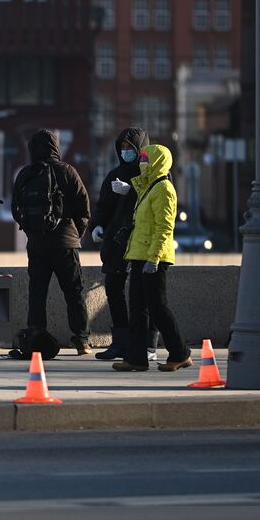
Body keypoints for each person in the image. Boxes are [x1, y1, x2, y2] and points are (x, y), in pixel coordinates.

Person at [11, 129, 92, 356]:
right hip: (66, 244)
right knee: (74, 293)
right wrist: (75, 234)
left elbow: (16, 210)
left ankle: (36, 338)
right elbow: (84, 208)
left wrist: (32, 231)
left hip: (37, 245)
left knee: (37, 293)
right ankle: (82, 340)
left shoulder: (26, 174)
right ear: (55, 146)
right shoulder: (68, 171)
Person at [113, 143, 191, 372]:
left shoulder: (164, 189)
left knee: (158, 308)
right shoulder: (148, 188)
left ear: (158, 162)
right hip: (139, 255)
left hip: (153, 258)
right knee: (137, 309)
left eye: (147, 158)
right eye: (142, 158)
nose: (142, 162)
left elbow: (164, 227)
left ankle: (180, 353)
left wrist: (154, 258)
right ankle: (136, 358)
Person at [89, 127, 150, 360]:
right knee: (113, 289)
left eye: (130, 149)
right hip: (116, 242)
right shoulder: (115, 174)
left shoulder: (150, 175)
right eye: (122, 148)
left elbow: (156, 203)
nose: (125, 152)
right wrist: (98, 225)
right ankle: (121, 341)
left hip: (140, 242)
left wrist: (132, 191)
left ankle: (144, 343)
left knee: (143, 294)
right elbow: (103, 205)